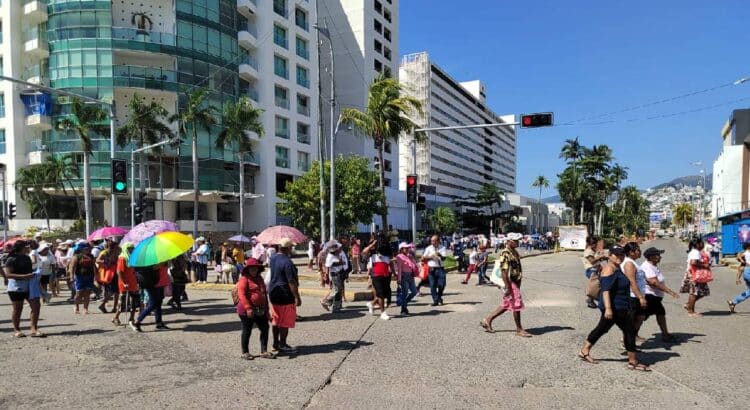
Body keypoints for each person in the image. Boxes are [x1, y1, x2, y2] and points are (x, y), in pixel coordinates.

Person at [578, 247, 650, 371]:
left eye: (622, 255)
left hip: (619, 305)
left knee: (602, 328)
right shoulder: (608, 270)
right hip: (615, 307)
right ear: (610, 256)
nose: (619, 257)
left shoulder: (617, 268)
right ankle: (632, 361)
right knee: (630, 331)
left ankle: (584, 350)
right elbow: (606, 291)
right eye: (616, 255)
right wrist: (608, 309)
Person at [480, 233, 531, 337]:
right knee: (516, 302)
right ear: (508, 241)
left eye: (518, 240)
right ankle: (519, 329)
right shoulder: (505, 253)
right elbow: (504, 272)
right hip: (510, 282)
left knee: (508, 303)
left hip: (515, 281)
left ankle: (487, 320)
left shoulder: (514, 251)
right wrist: (508, 287)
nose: (517, 242)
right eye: (515, 241)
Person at [237, 258, 275, 360]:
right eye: (252, 269)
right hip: (246, 310)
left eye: (255, 269)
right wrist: (248, 308)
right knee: (247, 330)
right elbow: (241, 294)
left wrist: (267, 312)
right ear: (248, 270)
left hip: (260, 309)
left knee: (265, 328)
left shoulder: (260, 278)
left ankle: (264, 351)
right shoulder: (244, 279)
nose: (254, 271)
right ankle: (245, 352)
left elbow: (264, 296)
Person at [267, 238, 301, 354]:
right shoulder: (287, 262)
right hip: (285, 294)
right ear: (288, 248)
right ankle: (283, 344)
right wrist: (297, 297)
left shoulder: (273, 258)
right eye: (291, 247)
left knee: (276, 319)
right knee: (284, 322)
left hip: (274, 292)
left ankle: (275, 344)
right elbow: (291, 281)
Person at [640, 247, 680, 341]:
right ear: (651, 257)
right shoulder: (647, 267)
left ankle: (665, 334)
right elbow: (654, 282)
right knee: (642, 317)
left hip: (654, 296)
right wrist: (670, 291)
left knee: (649, 315)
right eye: (658, 255)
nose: (660, 257)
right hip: (650, 296)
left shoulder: (652, 265)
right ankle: (627, 338)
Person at [5, 241, 44, 337]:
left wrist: (35, 275)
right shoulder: (11, 259)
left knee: (36, 306)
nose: (29, 248)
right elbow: (8, 275)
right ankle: (16, 330)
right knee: (18, 309)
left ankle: (33, 329)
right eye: (27, 246)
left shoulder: (27, 258)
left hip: (29, 286)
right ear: (21, 248)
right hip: (15, 287)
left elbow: (29, 271)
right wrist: (25, 276)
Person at [363, 235, 395, 320]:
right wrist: (372, 244)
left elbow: (391, 263)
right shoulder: (373, 252)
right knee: (380, 293)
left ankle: (372, 304)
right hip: (376, 275)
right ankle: (383, 313)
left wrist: (395, 273)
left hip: (386, 275)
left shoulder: (388, 252)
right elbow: (364, 252)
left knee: (386, 295)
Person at [132, 263, 170, 331]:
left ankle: (159, 323)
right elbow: (153, 268)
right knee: (152, 305)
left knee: (158, 304)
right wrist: (163, 263)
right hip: (153, 284)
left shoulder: (162, 259)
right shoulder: (154, 260)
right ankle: (137, 322)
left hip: (160, 283)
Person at [621, 242, 647, 343]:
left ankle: (632, 337)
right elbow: (632, 281)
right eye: (638, 250)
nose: (640, 252)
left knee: (640, 317)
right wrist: (640, 297)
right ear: (631, 252)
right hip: (632, 296)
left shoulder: (633, 262)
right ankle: (626, 341)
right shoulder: (629, 263)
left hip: (637, 294)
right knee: (631, 320)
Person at [680, 238, 711, 317]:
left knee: (702, 292)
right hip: (694, 275)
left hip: (697, 275)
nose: (703, 244)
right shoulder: (695, 252)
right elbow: (693, 262)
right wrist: (704, 265)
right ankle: (691, 312)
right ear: (697, 244)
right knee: (694, 293)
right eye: (702, 243)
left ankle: (688, 305)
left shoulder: (697, 252)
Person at [113, 242, 140, 328]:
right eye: (129, 248)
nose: (131, 250)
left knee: (134, 302)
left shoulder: (132, 258)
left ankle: (131, 318)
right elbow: (119, 272)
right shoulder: (122, 258)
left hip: (133, 283)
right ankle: (116, 317)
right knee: (123, 303)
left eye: (132, 248)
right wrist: (124, 283)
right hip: (125, 284)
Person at [321, 241, 349, 313]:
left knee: (338, 291)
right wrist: (326, 276)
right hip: (335, 275)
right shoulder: (330, 256)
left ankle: (337, 307)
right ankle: (326, 301)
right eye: (336, 249)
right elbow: (328, 266)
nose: (338, 250)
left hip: (339, 274)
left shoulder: (335, 255)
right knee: (336, 290)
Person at [69, 243, 96, 314]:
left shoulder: (91, 256)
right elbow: (72, 267)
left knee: (87, 293)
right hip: (79, 277)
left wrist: (97, 275)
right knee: (79, 293)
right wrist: (71, 277)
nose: (88, 250)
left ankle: (85, 308)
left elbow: (94, 266)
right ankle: (76, 306)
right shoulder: (76, 256)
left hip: (90, 276)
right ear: (81, 249)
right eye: (86, 249)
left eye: (88, 248)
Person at [96, 237, 121, 314]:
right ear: (112, 247)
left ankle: (114, 307)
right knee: (110, 292)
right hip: (108, 274)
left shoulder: (117, 253)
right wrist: (105, 262)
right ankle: (102, 305)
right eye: (116, 247)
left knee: (117, 291)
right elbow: (97, 260)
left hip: (116, 273)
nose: (118, 248)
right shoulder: (104, 252)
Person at [582, 236, 607, 308]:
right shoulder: (588, 251)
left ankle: (591, 299)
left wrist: (602, 258)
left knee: (597, 285)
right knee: (598, 285)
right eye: (596, 244)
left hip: (595, 270)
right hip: (591, 271)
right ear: (592, 244)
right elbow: (592, 261)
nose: (596, 245)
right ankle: (595, 300)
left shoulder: (592, 251)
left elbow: (596, 261)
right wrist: (600, 257)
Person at [421, 235, 447, 306]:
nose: (432, 242)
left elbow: (444, 258)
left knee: (442, 284)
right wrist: (431, 257)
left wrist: (440, 255)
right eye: (431, 241)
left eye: (434, 241)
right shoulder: (428, 248)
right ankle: (435, 300)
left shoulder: (442, 248)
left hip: (440, 268)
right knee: (432, 285)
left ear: (438, 241)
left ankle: (439, 297)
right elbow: (422, 258)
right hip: (431, 268)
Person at [395, 242, 418, 315]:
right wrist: (399, 279)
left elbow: (414, 265)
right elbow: (399, 269)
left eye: (408, 248)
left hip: (411, 276)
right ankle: (403, 309)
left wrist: (412, 259)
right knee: (405, 293)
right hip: (404, 276)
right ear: (401, 249)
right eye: (405, 248)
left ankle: (404, 304)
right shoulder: (399, 256)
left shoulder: (409, 256)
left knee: (414, 292)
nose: (407, 249)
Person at [728, 242, 750, 313]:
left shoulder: (745, 256)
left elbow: (740, 269)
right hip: (748, 272)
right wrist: (741, 259)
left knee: (749, 292)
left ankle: (733, 302)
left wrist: (737, 279)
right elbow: (739, 257)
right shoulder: (746, 254)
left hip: (746, 273)